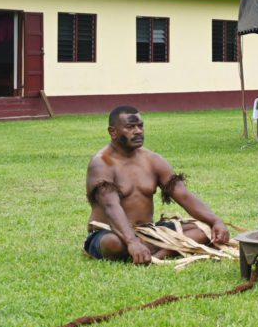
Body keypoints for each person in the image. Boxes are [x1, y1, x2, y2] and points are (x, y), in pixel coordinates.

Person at [84, 106, 229, 264]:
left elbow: (184, 195)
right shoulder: (102, 163)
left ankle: (158, 255)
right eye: (130, 127)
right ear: (113, 132)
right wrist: (131, 242)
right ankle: (160, 249)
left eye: (140, 126)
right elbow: (111, 207)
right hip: (111, 232)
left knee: (203, 230)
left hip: (148, 231)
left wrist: (216, 221)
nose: (138, 131)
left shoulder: (153, 160)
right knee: (114, 245)